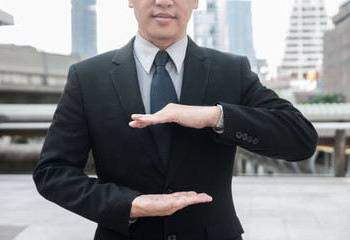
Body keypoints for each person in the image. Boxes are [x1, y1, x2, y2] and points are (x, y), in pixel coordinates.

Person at [33, 0, 318, 239]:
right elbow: (53, 172)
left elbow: (301, 139)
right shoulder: (87, 77)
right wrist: (129, 204)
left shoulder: (232, 70)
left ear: (196, 1)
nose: (164, 1)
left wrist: (215, 116)